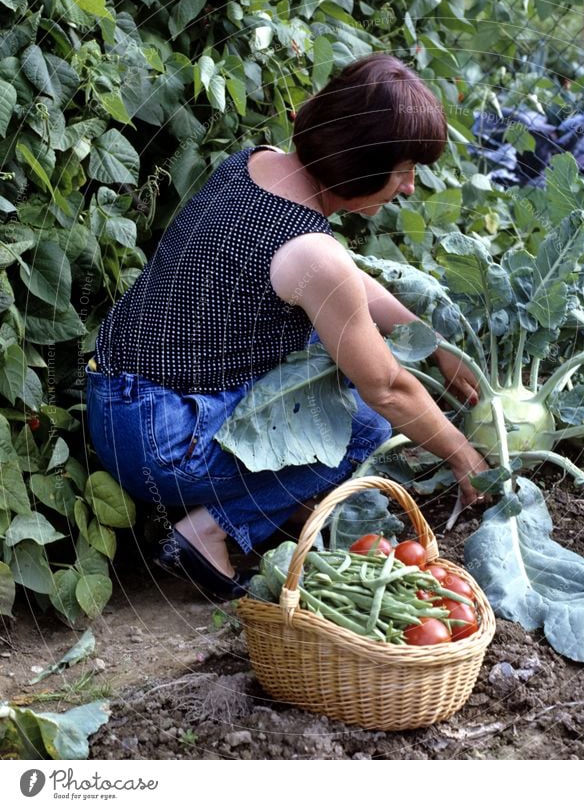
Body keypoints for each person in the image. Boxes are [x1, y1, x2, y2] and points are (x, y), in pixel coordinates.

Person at [85, 53, 489, 600]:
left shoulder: (256, 164)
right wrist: (465, 457)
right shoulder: (311, 253)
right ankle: (211, 531)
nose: (410, 187)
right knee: (361, 426)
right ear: (364, 165)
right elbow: (389, 387)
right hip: (163, 440)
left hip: (116, 397)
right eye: (403, 169)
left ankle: (261, 507)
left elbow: (341, 279)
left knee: (332, 361)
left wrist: (433, 341)